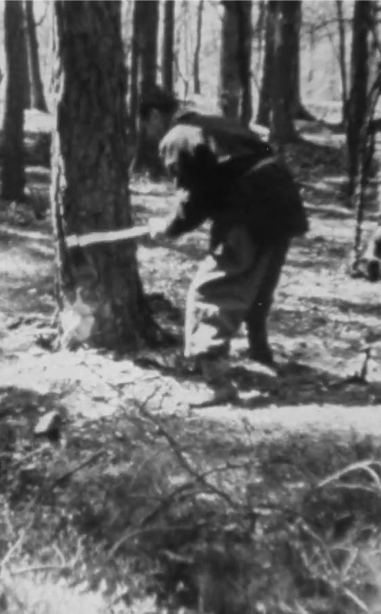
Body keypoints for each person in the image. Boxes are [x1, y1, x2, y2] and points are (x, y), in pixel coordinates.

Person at [140, 88, 309, 406]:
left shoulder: (178, 137)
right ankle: (261, 353)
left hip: (250, 209)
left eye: (145, 126)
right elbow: (218, 184)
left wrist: (169, 227)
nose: (147, 136)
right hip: (283, 203)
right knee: (259, 286)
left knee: (209, 293)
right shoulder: (216, 123)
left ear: (154, 115)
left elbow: (194, 200)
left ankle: (216, 381)